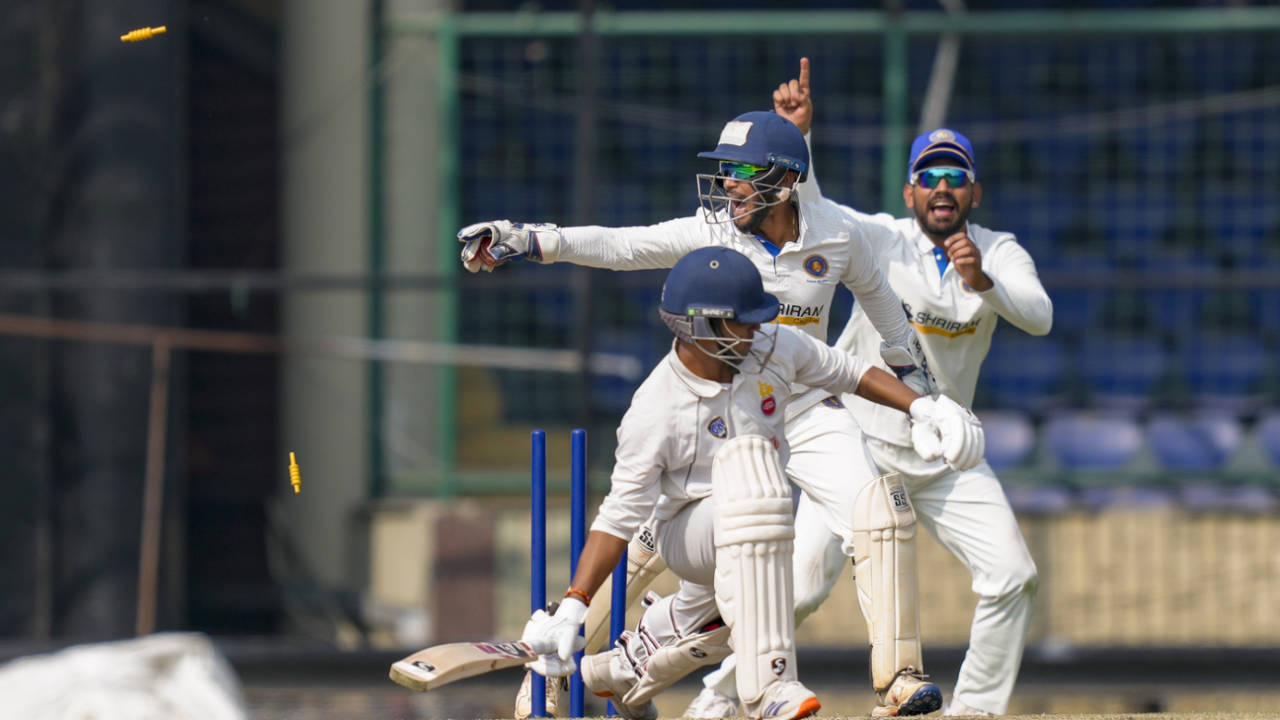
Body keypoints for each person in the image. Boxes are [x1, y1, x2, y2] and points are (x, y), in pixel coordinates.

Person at [459, 109, 950, 717]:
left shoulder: (839, 235)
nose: (729, 186)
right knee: (662, 544)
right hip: (725, 410)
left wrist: (926, 401)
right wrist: (530, 238)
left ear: (786, 180)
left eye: (742, 172)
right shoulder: (712, 234)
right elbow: (623, 245)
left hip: (801, 401)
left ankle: (899, 678)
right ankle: (558, 670)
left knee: (880, 511)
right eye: (725, 172)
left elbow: (885, 319)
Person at [689, 59, 1052, 718]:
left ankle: (973, 712)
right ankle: (715, 701)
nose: (941, 188)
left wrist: (983, 284)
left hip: (942, 454)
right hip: (861, 446)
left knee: (1014, 576)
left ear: (974, 191)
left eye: (955, 177)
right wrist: (800, 138)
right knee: (795, 592)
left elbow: (1040, 314)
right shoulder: (881, 239)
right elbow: (816, 215)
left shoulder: (998, 251)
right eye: (928, 178)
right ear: (910, 193)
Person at [517, 246, 986, 720]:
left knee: (747, 600)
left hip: (753, 528)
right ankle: (768, 689)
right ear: (703, 325)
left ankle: (617, 669)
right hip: (686, 531)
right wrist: (575, 606)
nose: (756, 329)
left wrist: (923, 407)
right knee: (753, 482)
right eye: (743, 321)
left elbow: (849, 372)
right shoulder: (655, 409)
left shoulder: (771, 347)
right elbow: (618, 517)